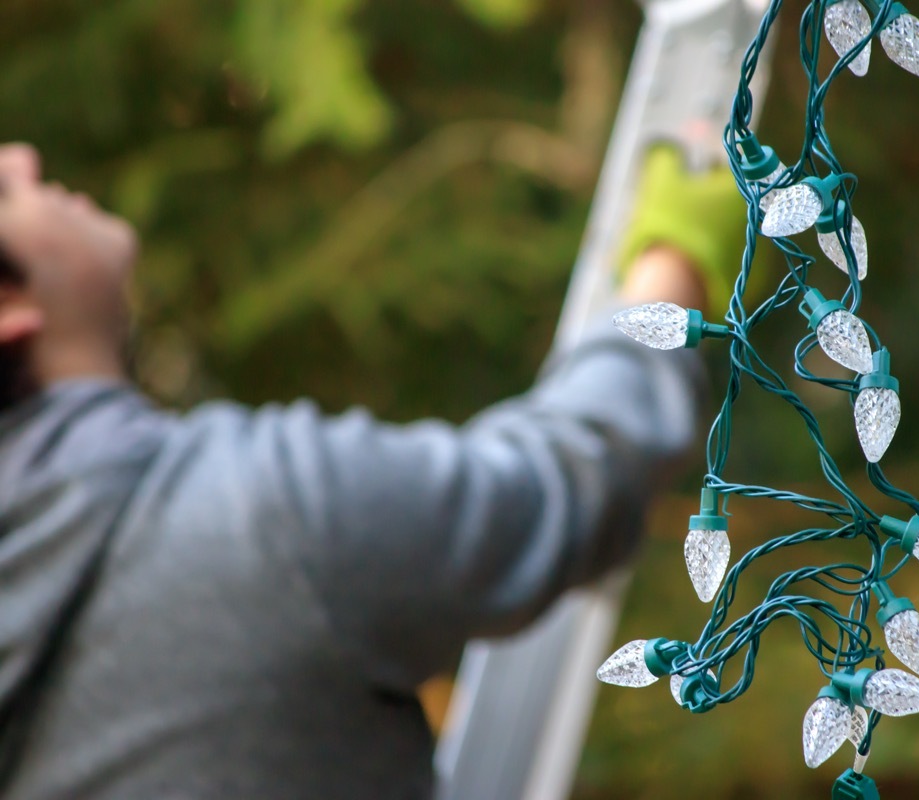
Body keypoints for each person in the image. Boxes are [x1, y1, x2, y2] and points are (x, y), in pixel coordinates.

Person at [0, 142, 745, 799]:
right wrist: (673, 268)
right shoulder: (252, 513)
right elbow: (565, 479)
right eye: (1, 191)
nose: (21, 158)